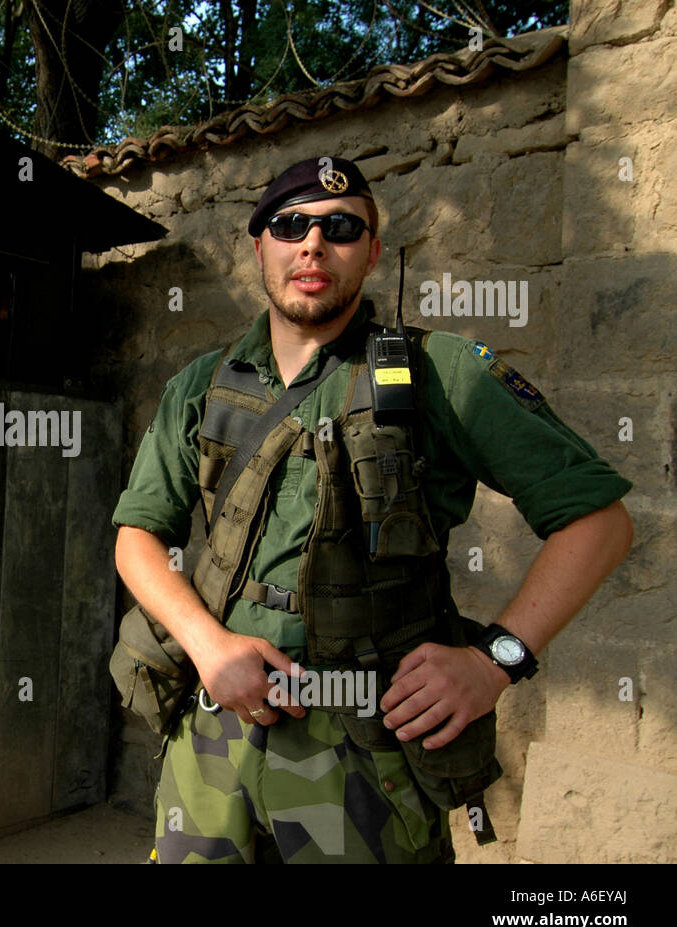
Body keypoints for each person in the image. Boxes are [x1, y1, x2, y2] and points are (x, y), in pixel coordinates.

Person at [111, 156, 634, 864]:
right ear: (258, 241)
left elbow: (598, 522)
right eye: (290, 224)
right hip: (214, 733)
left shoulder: (439, 374)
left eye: (342, 228)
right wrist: (207, 646)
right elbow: (138, 536)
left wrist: (493, 662)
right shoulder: (201, 386)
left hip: (365, 753)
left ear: (374, 251)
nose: (313, 245)